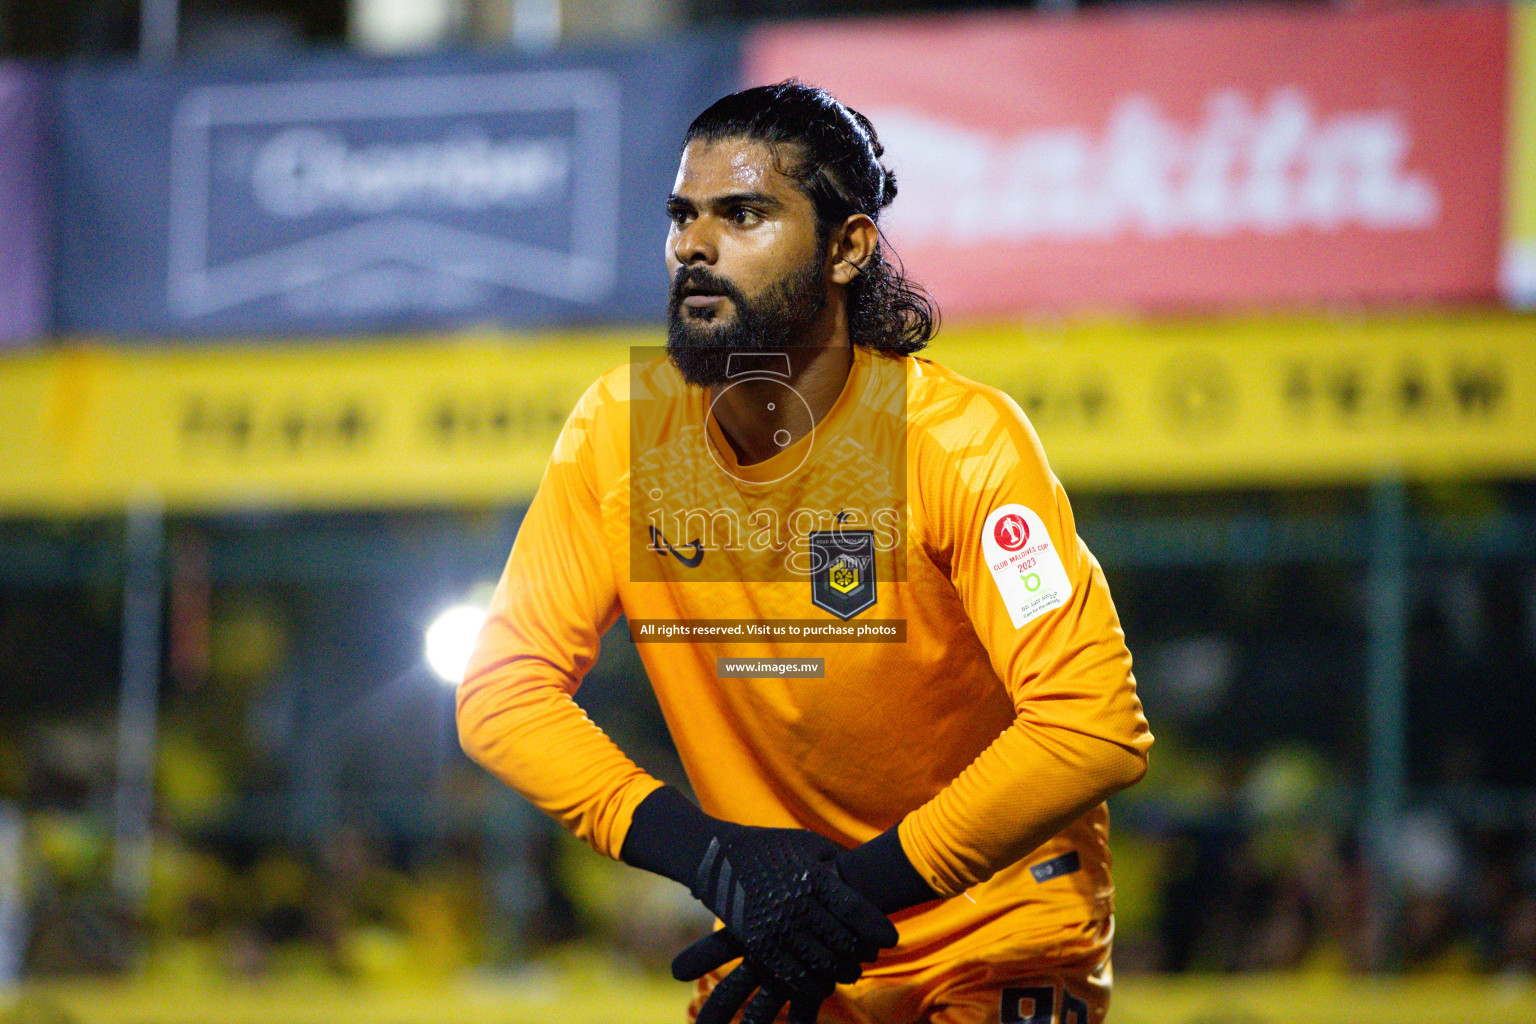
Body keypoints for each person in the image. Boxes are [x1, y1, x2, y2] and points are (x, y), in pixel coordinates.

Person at [457, 80, 1153, 1024]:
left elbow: (1090, 727)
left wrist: (845, 892)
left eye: (744, 214)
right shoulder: (620, 435)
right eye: (682, 217)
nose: (694, 246)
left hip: (995, 932)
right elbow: (503, 694)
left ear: (847, 247)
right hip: (781, 936)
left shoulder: (958, 443)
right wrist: (714, 858)